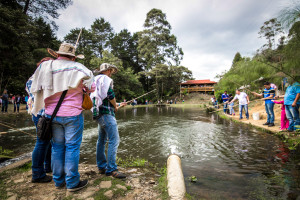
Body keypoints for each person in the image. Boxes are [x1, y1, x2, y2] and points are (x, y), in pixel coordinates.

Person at [29, 43, 95, 191]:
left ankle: (58, 181)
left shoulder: (46, 66)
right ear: (73, 57)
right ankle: (72, 182)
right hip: (73, 115)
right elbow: (91, 87)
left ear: (58, 54)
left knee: (57, 148)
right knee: (72, 147)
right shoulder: (79, 68)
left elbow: (34, 85)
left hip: (52, 115)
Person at [91, 63, 127, 179]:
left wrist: (118, 104)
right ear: (109, 70)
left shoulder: (95, 79)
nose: (111, 72)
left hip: (99, 114)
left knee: (101, 140)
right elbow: (110, 96)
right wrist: (116, 107)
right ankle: (112, 169)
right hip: (107, 115)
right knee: (114, 140)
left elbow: (103, 99)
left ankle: (101, 166)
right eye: (111, 70)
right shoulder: (106, 79)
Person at [26, 57, 55, 184]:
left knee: (46, 141)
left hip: (36, 114)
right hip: (43, 114)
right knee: (42, 142)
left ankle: (47, 167)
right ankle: (37, 174)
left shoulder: (31, 79)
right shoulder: (43, 78)